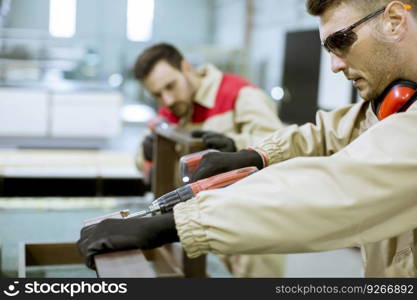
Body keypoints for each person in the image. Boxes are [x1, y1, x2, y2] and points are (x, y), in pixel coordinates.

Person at [78, 0, 417, 277]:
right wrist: (256, 155)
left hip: (247, 226)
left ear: (394, 20)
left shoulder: (238, 94)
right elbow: (328, 133)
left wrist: (179, 224)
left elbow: (337, 188)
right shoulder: (393, 103)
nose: (333, 65)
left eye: (340, 41)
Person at [134, 43, 285, 277]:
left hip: (252, 226)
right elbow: (140, 162)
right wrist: (146, 155)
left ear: (186, 67)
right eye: (157, 94)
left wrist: (235, 145)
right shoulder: (171, 111)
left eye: (170, 86)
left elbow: (281, 144)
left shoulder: (239, 94)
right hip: (203, 226)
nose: (168, 99)